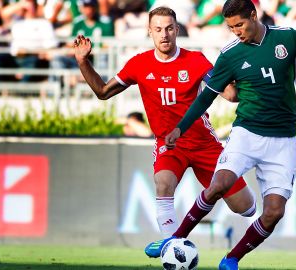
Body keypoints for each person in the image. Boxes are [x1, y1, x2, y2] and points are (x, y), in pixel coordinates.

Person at [144, 1, 296, 269]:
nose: (236, 32)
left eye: (240, 25)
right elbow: (206, 97)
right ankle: (173, 240)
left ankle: (231, 259)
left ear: (253, 16)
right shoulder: (230, 54)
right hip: (247, 133)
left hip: (283, 141)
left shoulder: (287, 38)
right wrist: (180, 128)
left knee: (274, 213)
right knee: (218, 184)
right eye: (231, 27)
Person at [73, 6, 256, 238]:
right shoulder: (139, 64)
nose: (164, 34)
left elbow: (231, 96)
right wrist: (83, 62)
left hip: (203, 144)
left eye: (169, 28)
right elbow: (102, 92)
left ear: (177, 30)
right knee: (163, 184)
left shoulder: (195, 60)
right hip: (169, 144)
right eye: (158, 29)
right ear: (149, 31)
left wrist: (238, 75)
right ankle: (172, 245)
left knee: (246, 207)